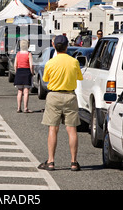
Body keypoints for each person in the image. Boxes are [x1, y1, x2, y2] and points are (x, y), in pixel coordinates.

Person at [38, 35, 83, 172]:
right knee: (72, 129)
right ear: (67, 46)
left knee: (53, 128)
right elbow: (79, 77)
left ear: (54, 45)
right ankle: (73, 162)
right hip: (69, 95)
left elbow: (46, 79)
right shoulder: (73, 62)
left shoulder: (50, 62)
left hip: (54, 96)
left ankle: (51, 161)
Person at [13, 39, 34, 113]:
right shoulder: (29, 54)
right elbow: (31, 65)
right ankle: (25, 108)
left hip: (19, 71)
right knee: (26, 91)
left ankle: (19, 108)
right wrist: (32, 73)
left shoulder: (18, 54)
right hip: (27, 72)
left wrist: (17, 72)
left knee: (19, 91)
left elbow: (15, 65)